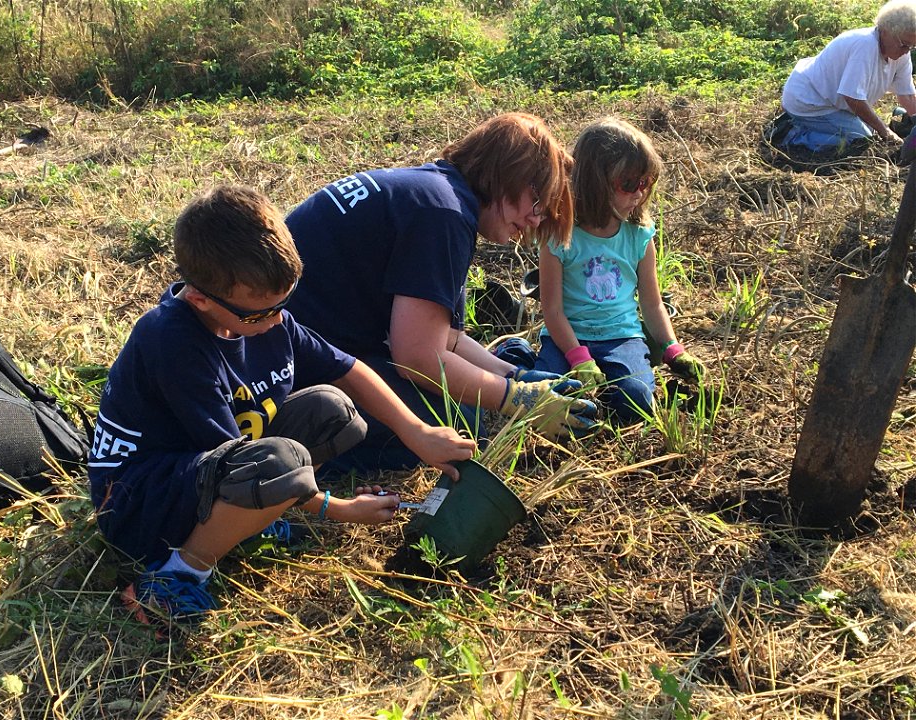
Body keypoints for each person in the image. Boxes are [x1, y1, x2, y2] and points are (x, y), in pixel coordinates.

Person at [88, 186, 476, 629]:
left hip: (208, 467)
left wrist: (416, 431)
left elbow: (348, 370)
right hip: (137, 501)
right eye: (259, 314)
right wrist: (339, 508)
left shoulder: (263, 319)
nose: (276, 322)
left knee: (335, 412)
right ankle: (176, 574)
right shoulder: (172, 343)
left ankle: (247, 519)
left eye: (283, 305)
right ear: (200, 299)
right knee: (280, 463)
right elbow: (237, 458)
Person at [284, 112, 600, 472]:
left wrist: (515, 377)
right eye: (537, 202)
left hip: (318, 345)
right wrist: (516, 398)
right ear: (506, 174)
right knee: (455, 428)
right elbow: (417, 358)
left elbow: (445, 338)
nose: (534, 220)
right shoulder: (443, 215)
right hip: (288, 365)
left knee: (464, 406)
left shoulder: (440, 195)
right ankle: (298, 448)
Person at [534, 117, 705, 425]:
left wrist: (672, 349)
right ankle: (518, 357)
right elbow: (553, 310)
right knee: (547, 395)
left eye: (645, 184)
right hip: (566, 337)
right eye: (628, 185)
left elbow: (652, 304)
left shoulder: (639, 235)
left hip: (621, 336)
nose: (638, 194)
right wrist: (577, 356)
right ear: (594, 181)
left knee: (636, 399)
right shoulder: (559, 235)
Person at [779, 0, 916, 153]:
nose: (906, 51)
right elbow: (853, 98)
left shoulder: (901, 54)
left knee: (870, 132)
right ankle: (792, 134)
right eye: (904, 44)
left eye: (912, 46)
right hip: (810, 101)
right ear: (886, 30)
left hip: (836, 104)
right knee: (860, 140)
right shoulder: (865, 46)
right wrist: (886, 132)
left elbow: (908, 96)